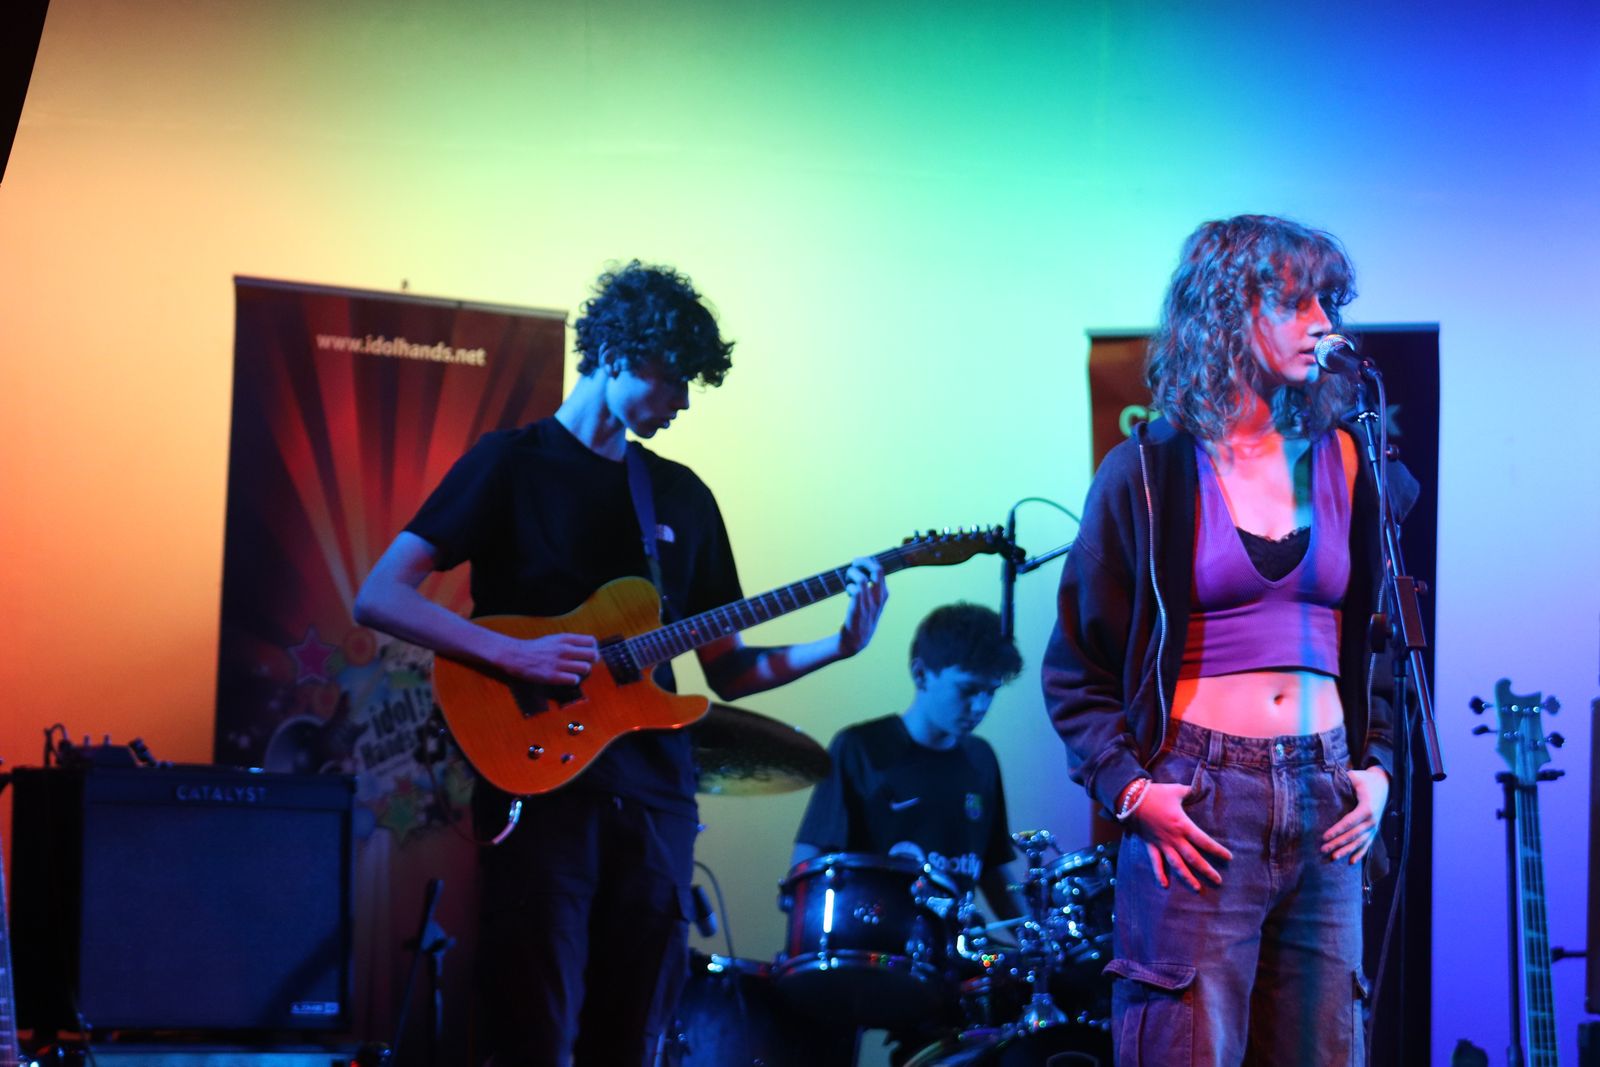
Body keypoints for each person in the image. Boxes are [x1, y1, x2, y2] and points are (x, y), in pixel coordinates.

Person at [352, 260, 888, 1067]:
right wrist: (514, 653)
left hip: (655, 795)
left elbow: (731, 671)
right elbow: (380, 594)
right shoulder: (510, 463)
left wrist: (837, 645)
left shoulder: (680, 496)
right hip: (544, 786)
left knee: (632, 1037)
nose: (682, 404)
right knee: (533, 1030)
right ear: (613, 354)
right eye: (673, 380)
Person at [1041, 215, 1417, 1067]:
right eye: (1295, 301)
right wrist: (1132, 792)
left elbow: (1386, 644)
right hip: (1203, 798)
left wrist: (1380, 768)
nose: (1322, 322)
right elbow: (1076, 668)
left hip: (1327, 796)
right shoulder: (1147, 471)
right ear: (1224, 309)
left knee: (1328, 1047)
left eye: (1329, 302)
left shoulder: (1348, 461)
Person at [793, 601, 1024, 927]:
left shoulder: (981, 758)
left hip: (951, 946)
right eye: (968, 689)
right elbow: (809, 863)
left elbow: (992, 868)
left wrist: (1035, 932)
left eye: (991, 692)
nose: (980, 706)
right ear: (920, 674)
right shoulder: (860, 748)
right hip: (874, 942)